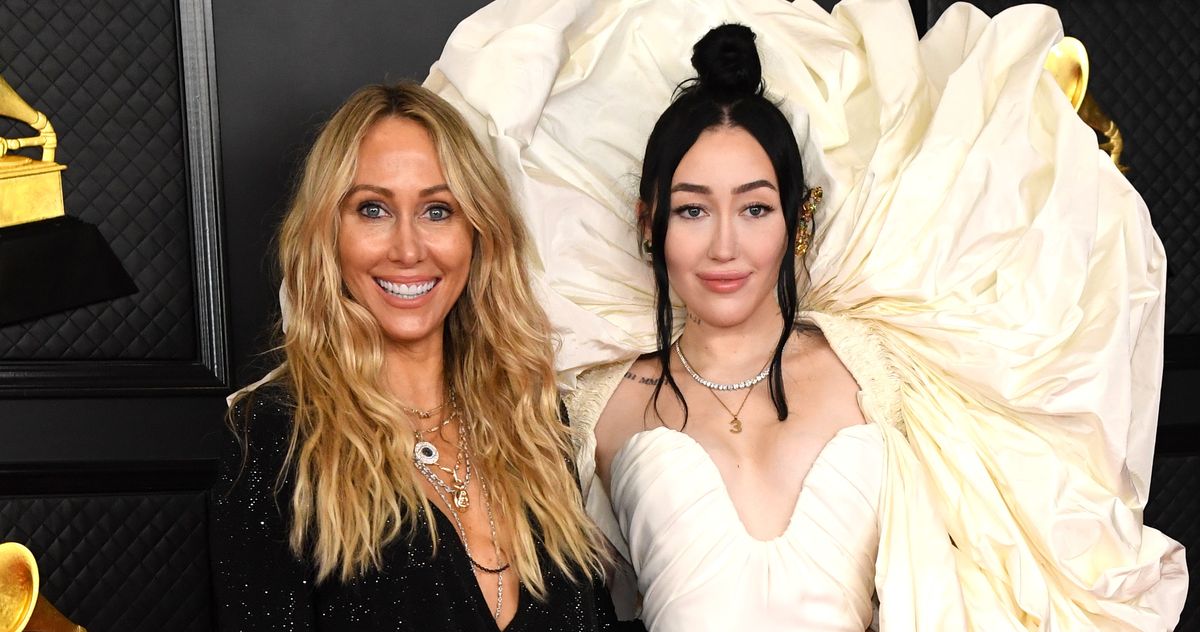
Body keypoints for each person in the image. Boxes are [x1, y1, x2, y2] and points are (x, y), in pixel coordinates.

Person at [426, 0, 1188, 630]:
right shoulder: (600, 406)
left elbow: (999, 533)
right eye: (693, 210)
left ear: (797, 224)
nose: (725, 246)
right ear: (648, 225)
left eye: (755, 208)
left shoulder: (880, 372)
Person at [210, 82, 635, 631]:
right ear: (328, 234)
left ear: (478, 232)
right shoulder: (277, 437)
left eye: (437, 211)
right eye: (373, 209)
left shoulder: (531, 420)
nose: (408, 249)